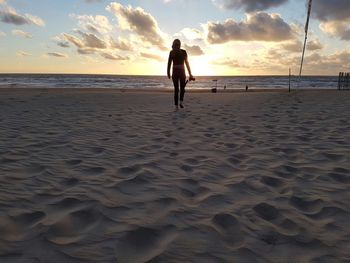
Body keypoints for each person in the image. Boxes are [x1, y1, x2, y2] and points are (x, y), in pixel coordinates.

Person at [167, 39, 194, 110]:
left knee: (179, 89)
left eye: (177, 44)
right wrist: (168, 72)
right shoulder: (172, 52)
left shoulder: (183, 52)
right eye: (176, 44)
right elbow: (169, 62)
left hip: (178, 72)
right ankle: (179, 103)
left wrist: (190, 73)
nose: (177, 46)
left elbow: (187, 63)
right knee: (179, 89)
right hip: (179, 72)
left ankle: (178, 104)